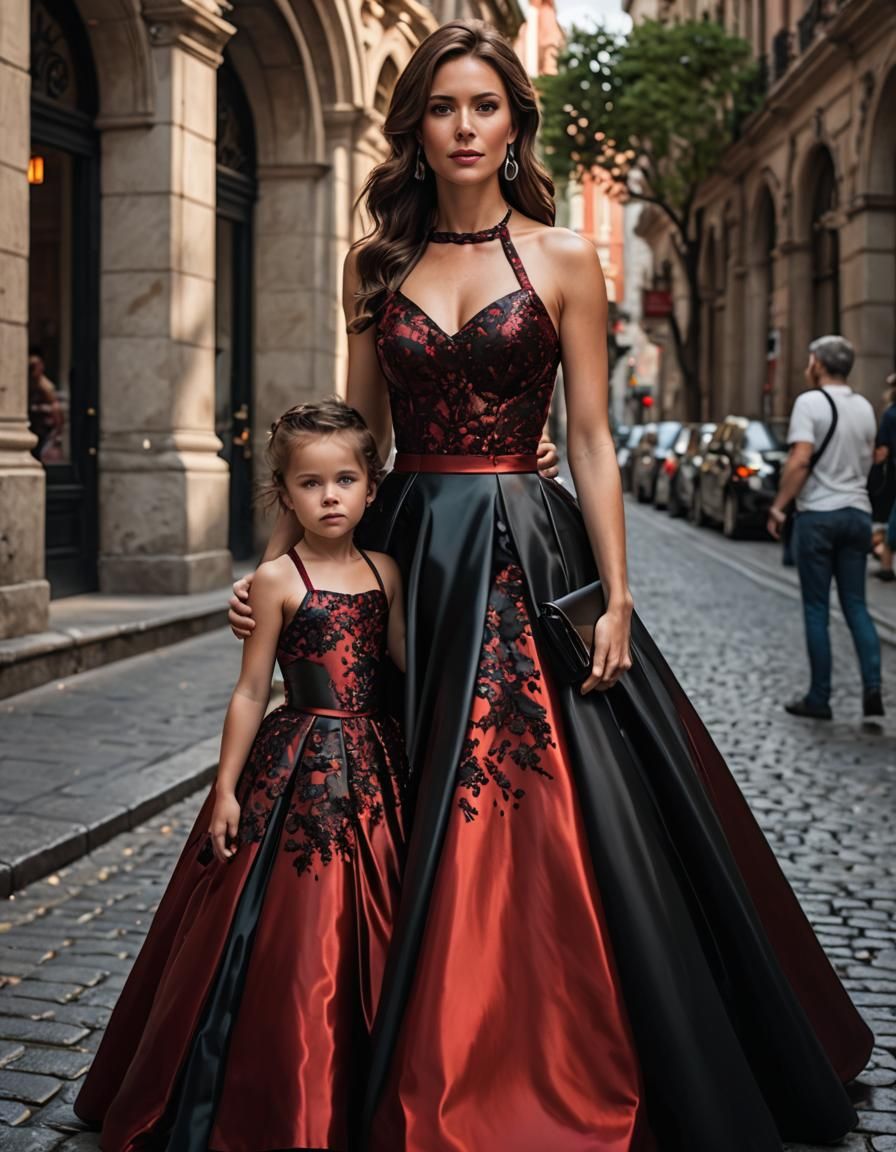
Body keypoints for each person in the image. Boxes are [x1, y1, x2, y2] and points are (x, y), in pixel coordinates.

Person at [230, 21, 872, 1151]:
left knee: (552, 793)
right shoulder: (375, 263)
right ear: (415, 128)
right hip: (407, 549)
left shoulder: (565, 258)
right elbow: (350, 443)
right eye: (442, 107)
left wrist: (616, 595)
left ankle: (542, 1048)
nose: (463, 127)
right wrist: (289, 566)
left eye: (484, 105)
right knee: (393, 777)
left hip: (529, 547)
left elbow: (588, 438)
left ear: (515, 123)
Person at [74, 399, 409, 1152]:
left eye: (345, 480)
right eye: (310, 484)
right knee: (288, 925)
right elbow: (253, 690)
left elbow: (404, 661)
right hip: (296, 765)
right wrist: (225, 789)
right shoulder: (276, 580)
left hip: (375, 765)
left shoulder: (386, 571)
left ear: (370, 487)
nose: (330, 497)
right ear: (283, 495)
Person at [767, 337, 883, 720]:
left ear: (818, 363)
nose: (807, 366)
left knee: (817, 608)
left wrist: (780, 506)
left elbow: (800, 460)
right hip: (857, 514)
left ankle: (820, 698)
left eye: (810, 359)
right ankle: (873, 686)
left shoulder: (809, 403)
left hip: (818, 515)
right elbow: (869, 459)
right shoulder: (865, 407)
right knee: (856, 605)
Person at [872, 374, 896, 581]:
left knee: (891, 520)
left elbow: (883, 450)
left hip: (893, 476)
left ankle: (886, 565)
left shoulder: (891, 414)